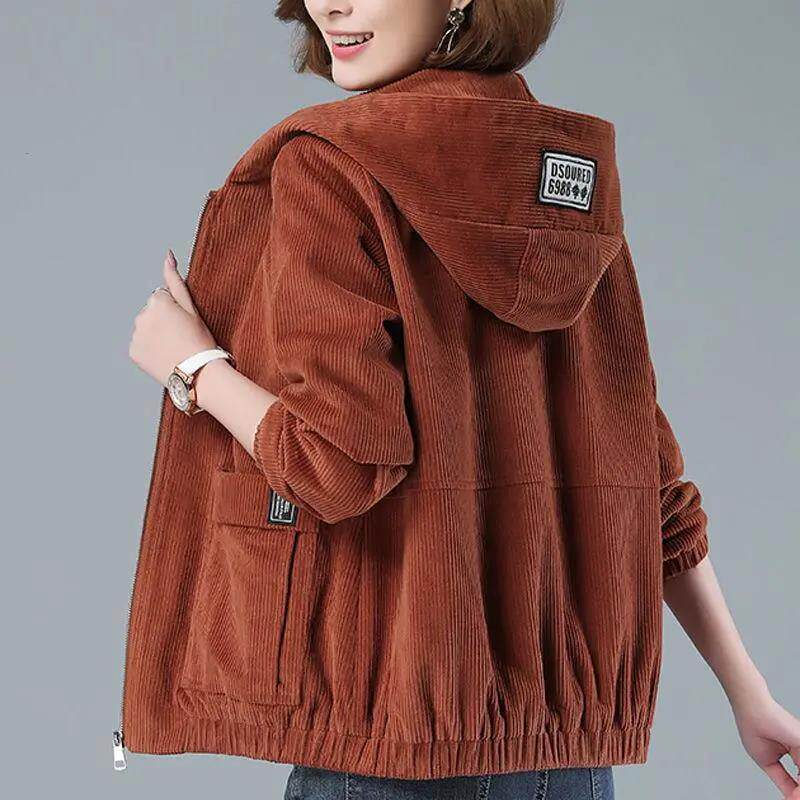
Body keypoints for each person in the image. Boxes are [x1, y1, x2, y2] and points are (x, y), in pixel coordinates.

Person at [123, 1, 800, 798]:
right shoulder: (568, 187)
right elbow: (646, 487)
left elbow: (337, 463)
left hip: (391, 752)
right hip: (567, 767)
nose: (330, 4)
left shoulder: (333, 166)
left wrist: (193, 366)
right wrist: (748, 693)